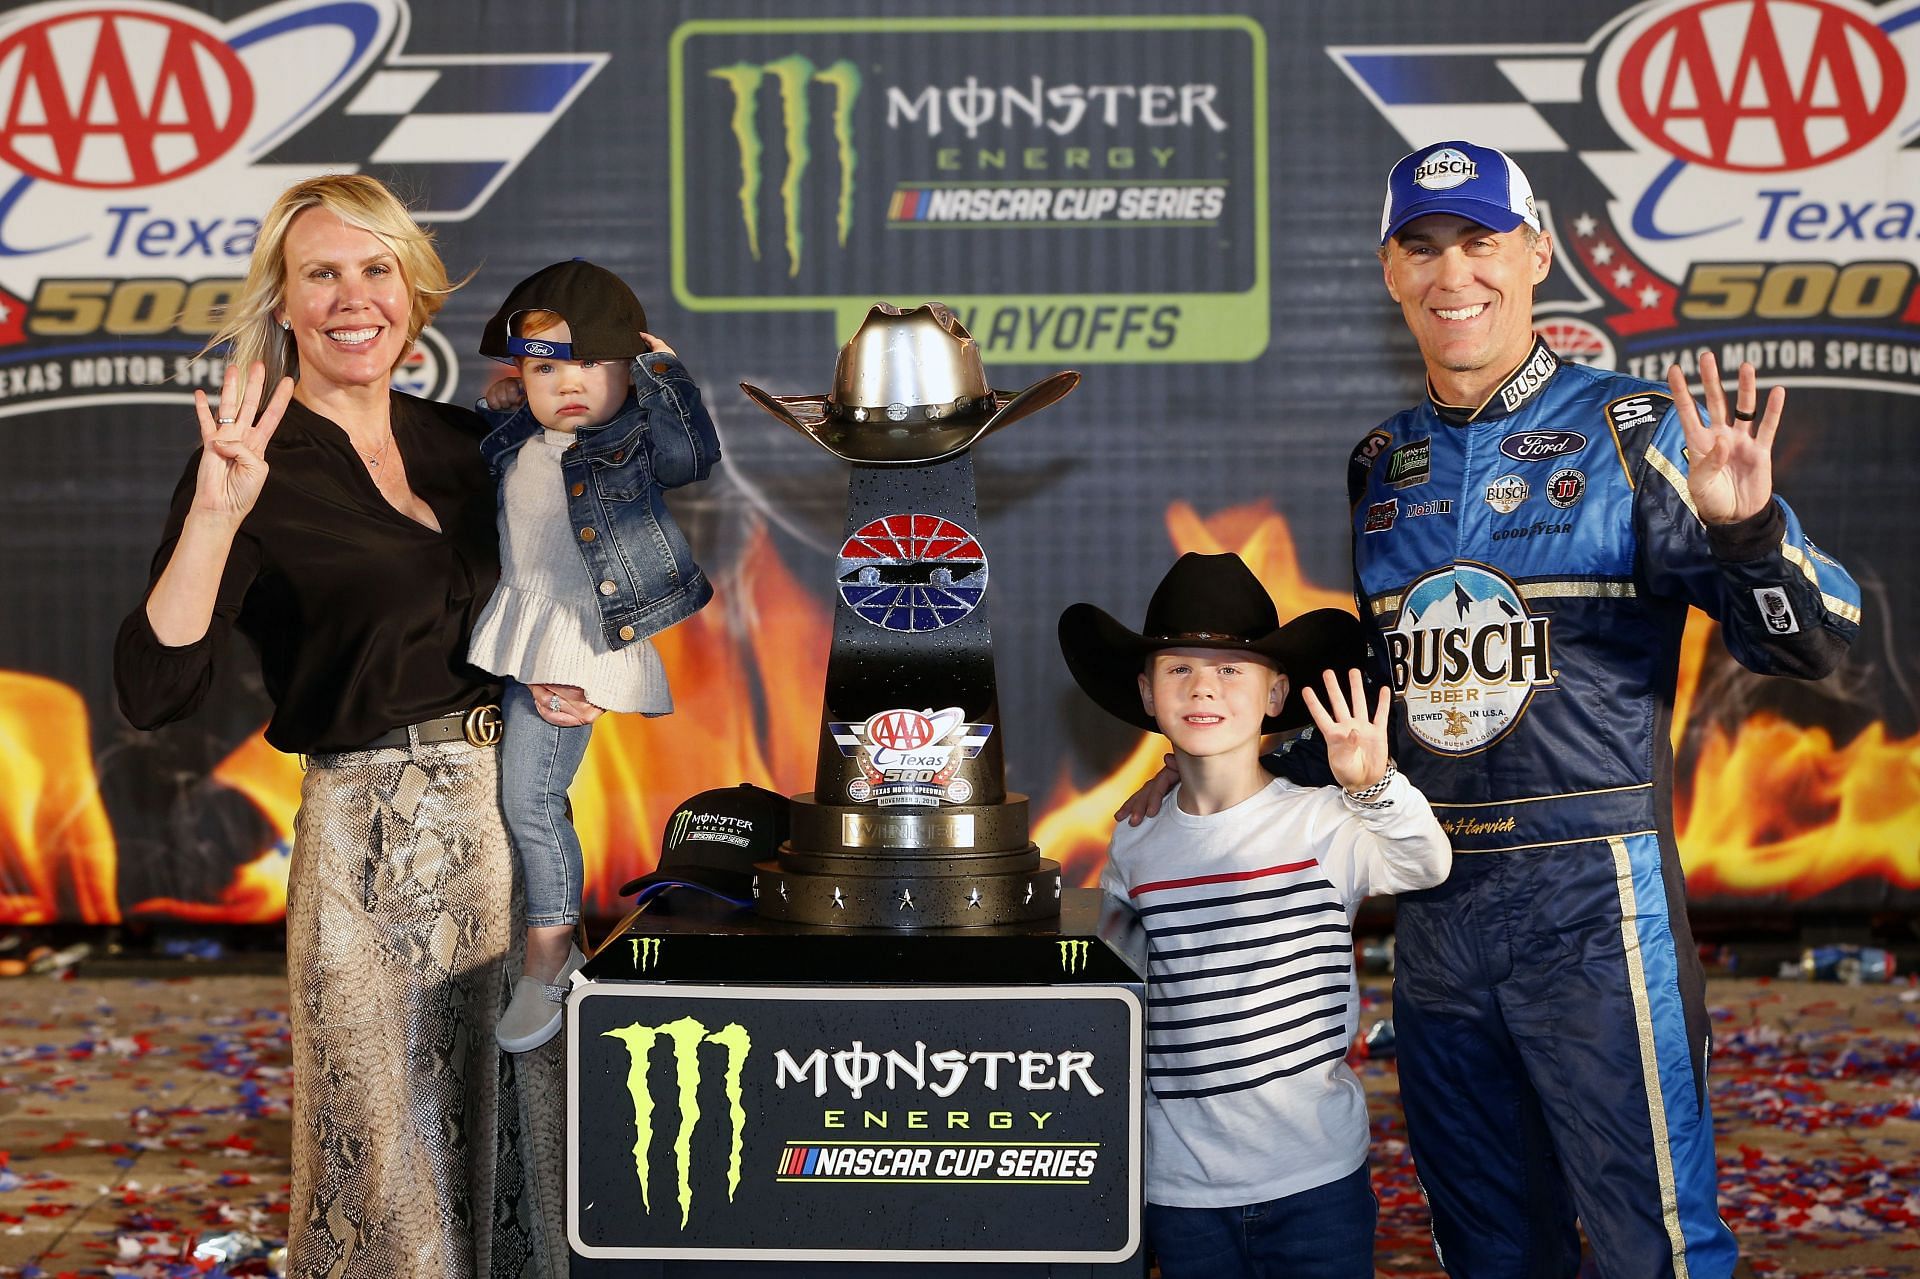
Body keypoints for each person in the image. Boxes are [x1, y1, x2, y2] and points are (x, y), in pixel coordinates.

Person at [1126, 140, 1862, 1278]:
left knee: (1649, 1237)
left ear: (1535, 256)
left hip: (1596, 902)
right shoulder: (1381, 464)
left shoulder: (1637, 430)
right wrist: (1220, 769)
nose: (1452, 273)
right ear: (1387, 272)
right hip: (1438, 906)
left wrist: (1744, 531)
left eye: (1479, 241)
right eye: (1422, 248)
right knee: (1489, 1246)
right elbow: (1383, 702)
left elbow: (1818, 642)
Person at [114, 174, 565, 1276]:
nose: (351, 297)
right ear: (283, 300)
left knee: (526, 1145)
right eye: (321, 272)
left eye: (375, 269)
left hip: (510, 834)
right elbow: (154, 686)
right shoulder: (251, 462)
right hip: (365, 852)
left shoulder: (476, 447)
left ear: (411, 294)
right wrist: (218, 514)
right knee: (383, 1159)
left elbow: (595, 565)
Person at [1061, 552, 1451, 1279]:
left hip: (1314, 1178)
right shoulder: (1137, 839)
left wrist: (1375, 786)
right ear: (1146, 692)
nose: (1204, 684)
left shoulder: (1324, 820)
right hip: (1180, 1185)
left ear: (1277, 693)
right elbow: (1127, 992)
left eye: (1233, 668)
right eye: (1179, 669)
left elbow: (1427, 863)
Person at [468, 259, 719, 1052]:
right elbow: (490, 437)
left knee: (533, 803)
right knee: (525, 801)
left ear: (626, 372)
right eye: (547, 367)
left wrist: (665, 377)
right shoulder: (524, 436)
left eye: (593, 364)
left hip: (581, 635)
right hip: (522, 625)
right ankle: (545, 942)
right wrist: (504, 396)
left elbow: (692, 457)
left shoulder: (633, 442)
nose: (569, 383)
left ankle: (550, 956)